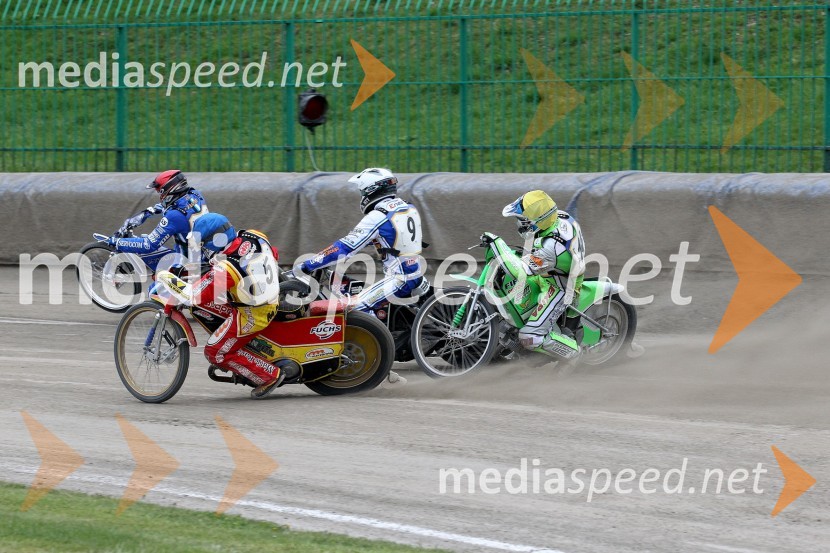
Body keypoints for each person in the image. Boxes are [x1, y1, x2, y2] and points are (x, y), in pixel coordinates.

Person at [159, 228, 285, 399]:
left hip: (253, 313)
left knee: (215, 352)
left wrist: (166, 277)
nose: (202, 251)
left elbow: (192, 297)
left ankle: (269, 376)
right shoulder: (253, 235)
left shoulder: (226, 268)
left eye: (203, 246)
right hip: (267, 293)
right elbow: (275, 253)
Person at [291, 167, 429, 312]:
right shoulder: (408, 207)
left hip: (399, 280)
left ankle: (377, 333)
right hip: (415, 272)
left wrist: (308, 265)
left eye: (362, 191)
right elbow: (392, 237)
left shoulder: (378, 216)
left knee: (353, 309)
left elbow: (343, 249)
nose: (362, 196)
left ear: (371, 191)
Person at [502, 190, 585, 360]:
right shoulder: (558, 217)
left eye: (522, 221)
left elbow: (521, 270)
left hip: (560, 286)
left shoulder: (551, 248)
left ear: (536, 222)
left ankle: (574, 353)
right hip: (549, 272)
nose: (519, 225)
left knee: (529, 338)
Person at [112, 170, 210, 262]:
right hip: (204, 253)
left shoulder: (174, 216)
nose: (160, 196)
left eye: (160, 192)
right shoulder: (195, 194)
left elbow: (148, 245)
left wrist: (117, 242)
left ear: (170, 190)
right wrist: (148, 212)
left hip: (187, 263)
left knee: (147, 247)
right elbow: (171, 207)